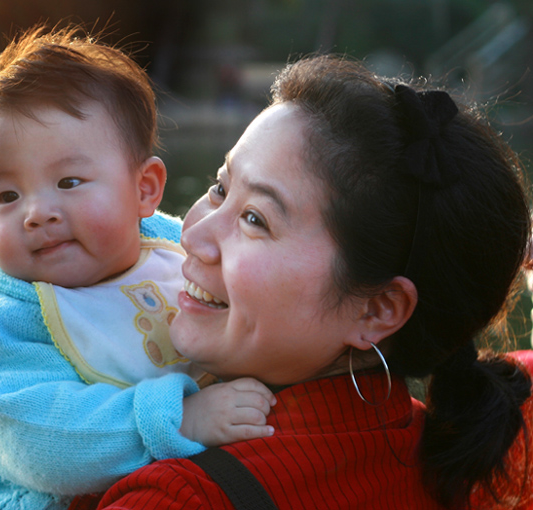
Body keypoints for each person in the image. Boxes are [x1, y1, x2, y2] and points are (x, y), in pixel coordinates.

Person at [64, 55, 533, 509]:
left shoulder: (181, 498)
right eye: (220, 188)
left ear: (377, 309)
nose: (193, 233)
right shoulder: (458, 462)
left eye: (254, 219)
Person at [0, 24, 275, 510]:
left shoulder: (177, 251)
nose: (36, 212)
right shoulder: (5, 325)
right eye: (7, 196)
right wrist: (178, 421)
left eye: (70, 180)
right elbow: (45, 445)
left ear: (144, 189)